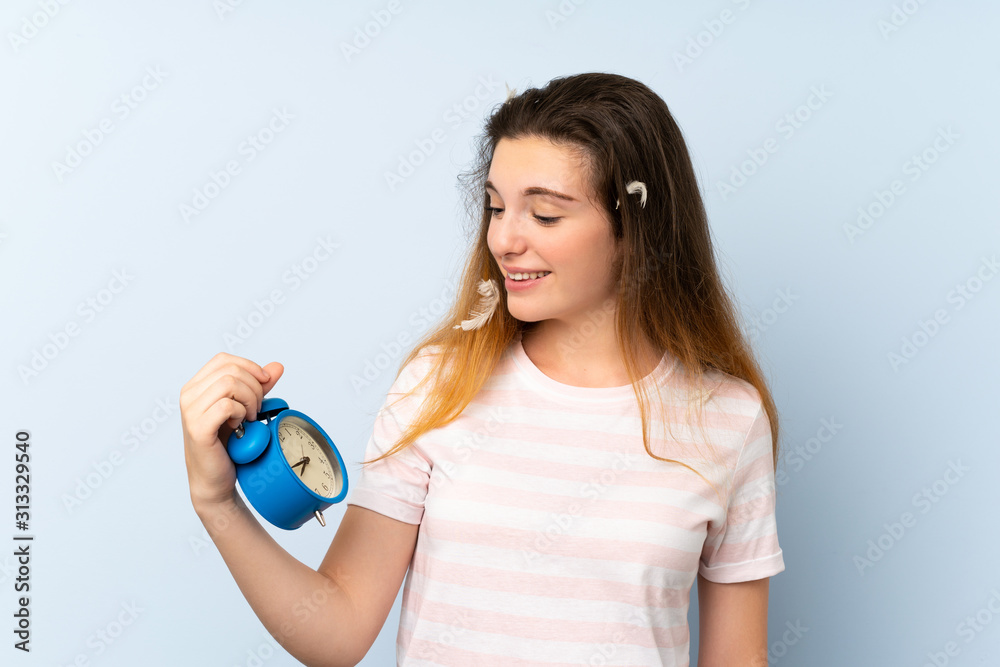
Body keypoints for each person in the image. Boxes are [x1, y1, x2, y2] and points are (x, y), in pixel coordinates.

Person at [181, 71, 785, 667]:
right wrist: (218, 503)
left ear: (637, 226)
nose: (504, 240)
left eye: (544, 215)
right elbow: (335, 632)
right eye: (495, 207)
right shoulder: (439, 384)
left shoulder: (727, 420)